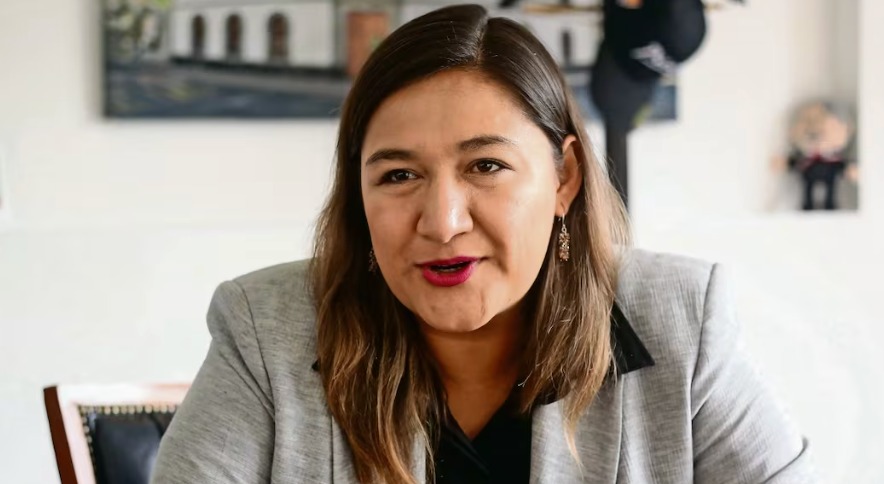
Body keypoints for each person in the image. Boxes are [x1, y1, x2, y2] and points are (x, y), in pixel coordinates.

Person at [151, 4, 816, 483]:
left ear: (564, 178)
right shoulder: (264, 329)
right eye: (399, 175)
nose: (442, 222)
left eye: (486, 166)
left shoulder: (680, 319)